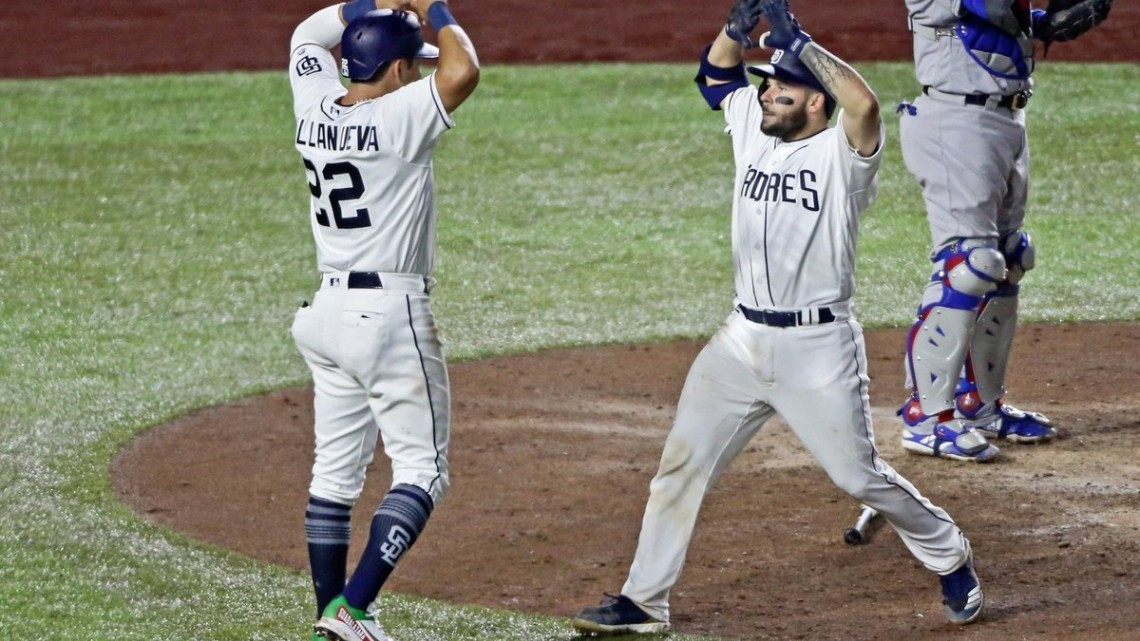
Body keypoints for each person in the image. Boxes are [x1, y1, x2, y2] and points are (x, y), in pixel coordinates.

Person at [570, 0, 984, 636]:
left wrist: (805, 43)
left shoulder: (845, 160)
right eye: (766, 85)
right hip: (740, 341)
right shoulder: (749, 126)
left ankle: (947, 549)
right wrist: (736, 31)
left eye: (782, 89)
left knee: (858, 475)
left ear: (816, 102)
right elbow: (714, 77)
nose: (766, 95)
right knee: (681, 465)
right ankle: (643, 601)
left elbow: (866, 105)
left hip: (816, 347)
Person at [286, 0, 478, 639]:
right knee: (423, 471)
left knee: (334, 475)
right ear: (397, 68)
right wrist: (433, 8)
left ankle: (328, 618)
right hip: (388, 315)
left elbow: (306, 35)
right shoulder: (400, 117)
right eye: (410, 64)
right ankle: (353, 609)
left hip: (325, 315)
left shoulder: (314, 105)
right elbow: (464, 69)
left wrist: (368, 5)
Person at [895, 0, 1110, 461]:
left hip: (1008, 119)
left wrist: (1043, 24)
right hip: (955, 121)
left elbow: (1004, 17)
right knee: (968, 265)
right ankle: (925, 417)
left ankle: (980, 406)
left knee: (1010, 258)